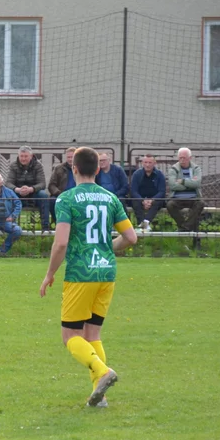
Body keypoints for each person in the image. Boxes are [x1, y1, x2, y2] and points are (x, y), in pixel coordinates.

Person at [39, 146, 137, 407]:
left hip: (81, 273)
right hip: (107, 272)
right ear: (97, 169)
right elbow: (130, 238)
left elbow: (60, 243)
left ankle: (103, 371)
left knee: (71, 337)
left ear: (74, 169)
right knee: (92, 334)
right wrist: (107, 247)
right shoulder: (111, 198)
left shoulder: (67, 199)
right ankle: (100, 395)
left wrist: (50, 273)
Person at [5, 145, 50, 231]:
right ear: (18, 156)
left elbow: (42, 184)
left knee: (44, 196)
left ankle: (45, 228)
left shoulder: (38, 166)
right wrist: (17, 189)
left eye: (26, 156)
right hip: (18, 193)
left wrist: (31, 189)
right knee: (8, 195)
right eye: (21, 156)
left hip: (34, 193)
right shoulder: (13, 166)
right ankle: (10, 225)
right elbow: (8, 183)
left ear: (31, 156)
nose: (23, 159)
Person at [165, 147, 203, 232]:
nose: (182, 160)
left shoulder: (196, 168)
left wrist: (182, 181)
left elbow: (197, 184)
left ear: (190, 158)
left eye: (184, 158)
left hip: (193, 197)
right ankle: (185, 226)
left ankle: (185, 227)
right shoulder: (173, 169)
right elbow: (172, 186)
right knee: (170, 205)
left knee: (200, 204)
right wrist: (190, 183)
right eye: (180, 158)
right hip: (177, 198)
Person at [128, 154, 166, 232]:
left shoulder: (159, 175)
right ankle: (142, 224)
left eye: (150, 162)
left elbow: (162, 191)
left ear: (154, 163)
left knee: (158, 202)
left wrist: (151, 200)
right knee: (135, 201)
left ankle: (145, 223)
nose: (147, 165)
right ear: (142, 163)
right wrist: (142, 200)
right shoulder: (136, 174)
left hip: (155, 199)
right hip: (140, 199)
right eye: (145, 162)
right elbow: (133, 191)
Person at [49, 147, 77, 225]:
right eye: (68, 157)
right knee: (52, 201)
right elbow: (51, 185)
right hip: (61, 194)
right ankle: (57, 222)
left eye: (72, 157)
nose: (70, 159)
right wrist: (59, 193)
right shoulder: (59, 168)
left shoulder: (81, 168)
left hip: (77, 195)